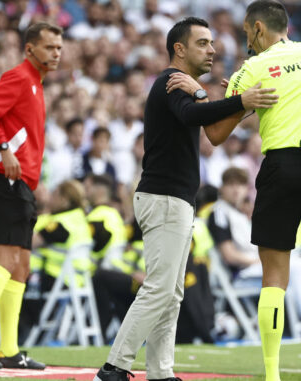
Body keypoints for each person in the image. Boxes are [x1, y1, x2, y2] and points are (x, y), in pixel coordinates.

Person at [169, 2, 301, 379]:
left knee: (274, 279)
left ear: (258, 28)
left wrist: (212, 96)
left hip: (281, 168)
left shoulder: (251, 70)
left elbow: (215, 134)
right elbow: (296, 93)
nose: (246, 40)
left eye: (247, 33)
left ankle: (272, 374)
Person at [93, 17, 278, 381]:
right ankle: (114, 366)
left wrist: (231, 102)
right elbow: (194, 115)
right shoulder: (171, 82)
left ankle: (160, 372)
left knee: (172, 292)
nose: (213, 50)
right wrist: (240, 99)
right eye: (203, 43)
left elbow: (204, 121)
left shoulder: (184, 85)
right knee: (160, 287)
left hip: (171, 200)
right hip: (163, 199)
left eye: (211, 43)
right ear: (179, 49)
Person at [0, 22, 63, 370]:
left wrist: (34, 177)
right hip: (5, 182)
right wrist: (3, 148)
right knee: (5, 260)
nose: (56, 53)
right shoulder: (20, 77)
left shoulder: (35, 83)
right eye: (49, 47)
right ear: (30, 49)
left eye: (59, 48)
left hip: (22, 184)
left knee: (21, 267)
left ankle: (10, 349)